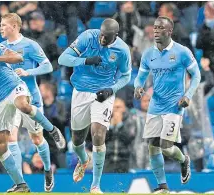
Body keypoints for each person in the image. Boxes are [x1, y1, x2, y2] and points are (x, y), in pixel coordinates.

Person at [0, 27, 64, 193]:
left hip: (14, 87)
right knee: (0, 145)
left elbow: (17, 57)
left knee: (23, 107)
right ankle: (21, 184)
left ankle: (52, 130)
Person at [58, 18, 132, 193]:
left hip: (103, 94)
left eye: (106, 37)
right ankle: (84, 160)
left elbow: (126, 76)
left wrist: (111, 90)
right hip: (81, 91)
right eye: (101, 35)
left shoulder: (122, 50)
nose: (102, 39)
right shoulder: (87, 37)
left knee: (98, 135)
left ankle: (95, 185)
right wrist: (85, 60)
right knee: (77, 141)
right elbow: (63, 59)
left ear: (115, 35)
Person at [133, 16, 201, 193]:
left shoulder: (182, 52)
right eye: (155, 28)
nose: (156, 31)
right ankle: (162, 186)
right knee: (152, 146)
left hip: (174, 106)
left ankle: (184, 160)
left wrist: (188, 95)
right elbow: (139, 78)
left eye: (160, 28)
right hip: (155, 105)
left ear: (169, 31)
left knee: (166, 146)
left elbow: (197, 75)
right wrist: (138, 87)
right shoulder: (148, 54)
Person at [0, 13, 64, 193]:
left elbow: (48, 66)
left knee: (37, 139)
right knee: (10, 137)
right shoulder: (1, 47)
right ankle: (20, 182)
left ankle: (47, 169)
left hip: (30, 97)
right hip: (10, 98)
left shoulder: (30, 45)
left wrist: (28, 72)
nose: (0, 28)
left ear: (14, 26)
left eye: (4, 25)